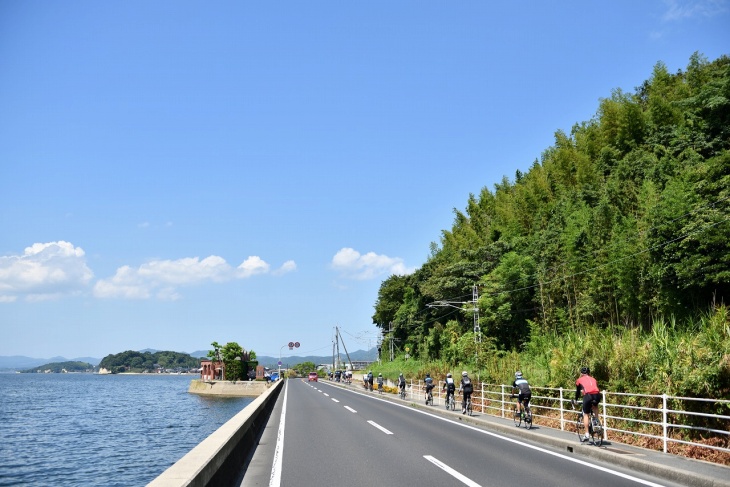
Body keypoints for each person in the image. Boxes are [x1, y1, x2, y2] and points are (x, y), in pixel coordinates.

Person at [574, 366, 601, 442]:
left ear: (581, 373)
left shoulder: (579, 380)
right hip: (597, 395)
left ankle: (586, 434)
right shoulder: (594, 379)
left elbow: (578, 392)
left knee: (586, 414)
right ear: (589, 373)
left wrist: (576, 400)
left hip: (588, 396)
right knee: (595, 406)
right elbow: (595, 388)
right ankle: (596, 421)